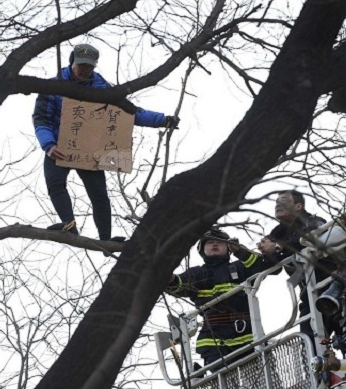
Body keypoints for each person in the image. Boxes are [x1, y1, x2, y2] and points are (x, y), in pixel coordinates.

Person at [32, 44, 179, 240]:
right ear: (71, 62)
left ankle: (106, 238)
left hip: (88, 148)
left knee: (99, 194)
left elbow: (130, 113)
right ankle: (69, 224)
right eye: (81, 65)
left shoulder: (102, 89)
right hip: (58, 146)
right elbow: (41, 119)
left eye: (89, 67)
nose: (85, 70)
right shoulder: (52, 87)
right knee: (55, 184)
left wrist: (162, 120)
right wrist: (49, 145)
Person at [166, 229, 279, 369]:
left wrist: (240, 251)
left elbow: (266, 266)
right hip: (214, 341)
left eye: (219, 242)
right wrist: (165, 274)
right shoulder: (196, 274)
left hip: (248, 335)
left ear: (228, 248)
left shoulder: (240, 267)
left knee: (262, 378)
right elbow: (176, 285)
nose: (215, 244)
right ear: (202, 250)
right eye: (210, 242)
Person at [268, 190, 338, 339]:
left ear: (298, 206)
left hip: (333, 286)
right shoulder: (277, 234)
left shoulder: (313, 222)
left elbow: (313, 239)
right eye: (276, 202)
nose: (278, 205)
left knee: (344, 334)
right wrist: (267, 252)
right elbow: (272, 269)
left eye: (284, 201)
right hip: (308, 292)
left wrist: (281, 246)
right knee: (309, 342)